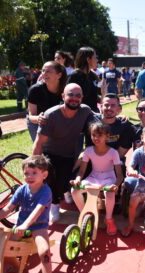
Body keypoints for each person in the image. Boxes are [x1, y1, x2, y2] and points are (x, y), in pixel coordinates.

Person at [32, 83, 95, 223]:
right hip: (51, 154)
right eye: (70, 94)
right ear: (63, 96)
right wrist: (34, 165)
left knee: (74, 174)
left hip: (72, 154)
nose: (74, 98)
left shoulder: (85, 111)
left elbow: (99, 118)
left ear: (82, 98)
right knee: (54, 176)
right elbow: (39, 142)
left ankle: (66, 190)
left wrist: (120, 117)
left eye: (78, 95)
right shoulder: (51, 115)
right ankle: (54, 205)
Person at [0, 155, 52, 273]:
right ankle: (11, 269)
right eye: (26, 173)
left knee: (44, 253)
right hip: (21, 226)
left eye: (34, 173)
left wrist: (25, 225)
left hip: (38, 226)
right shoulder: (21, 189)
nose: (29, 177)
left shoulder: (45, 192)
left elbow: (38, 210)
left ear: (44, 175)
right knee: (4, 248)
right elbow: (8, 207)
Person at [70, 121, 123, 236]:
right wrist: (78, 179)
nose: (96, 138)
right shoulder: (88, 150)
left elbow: (119, 175)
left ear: (107, 137)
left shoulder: (113, 153)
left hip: (109, 178)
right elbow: (82, 171)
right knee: (74, 190)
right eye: (94, 135)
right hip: (93, 177)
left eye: (100, 135)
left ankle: (109, 219)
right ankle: (84, 214)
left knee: (109, 194)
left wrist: (116, 185)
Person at [27, 61, 67, 141]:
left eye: (48, 71)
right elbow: (31, 116)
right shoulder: (35, 90)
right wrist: (38, 119)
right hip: (37, 122)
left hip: (57, 122)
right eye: (43, 71)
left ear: (59, 75)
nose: (44, 74)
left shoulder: (66, 89)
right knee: (41, 149)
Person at [67, 47, 100, 112]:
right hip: (80, 116)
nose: (97, 60)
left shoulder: (92, 75)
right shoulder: (75, 76)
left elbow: (93, 97)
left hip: (93, 113)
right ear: (88, 59)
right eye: (95, 57)